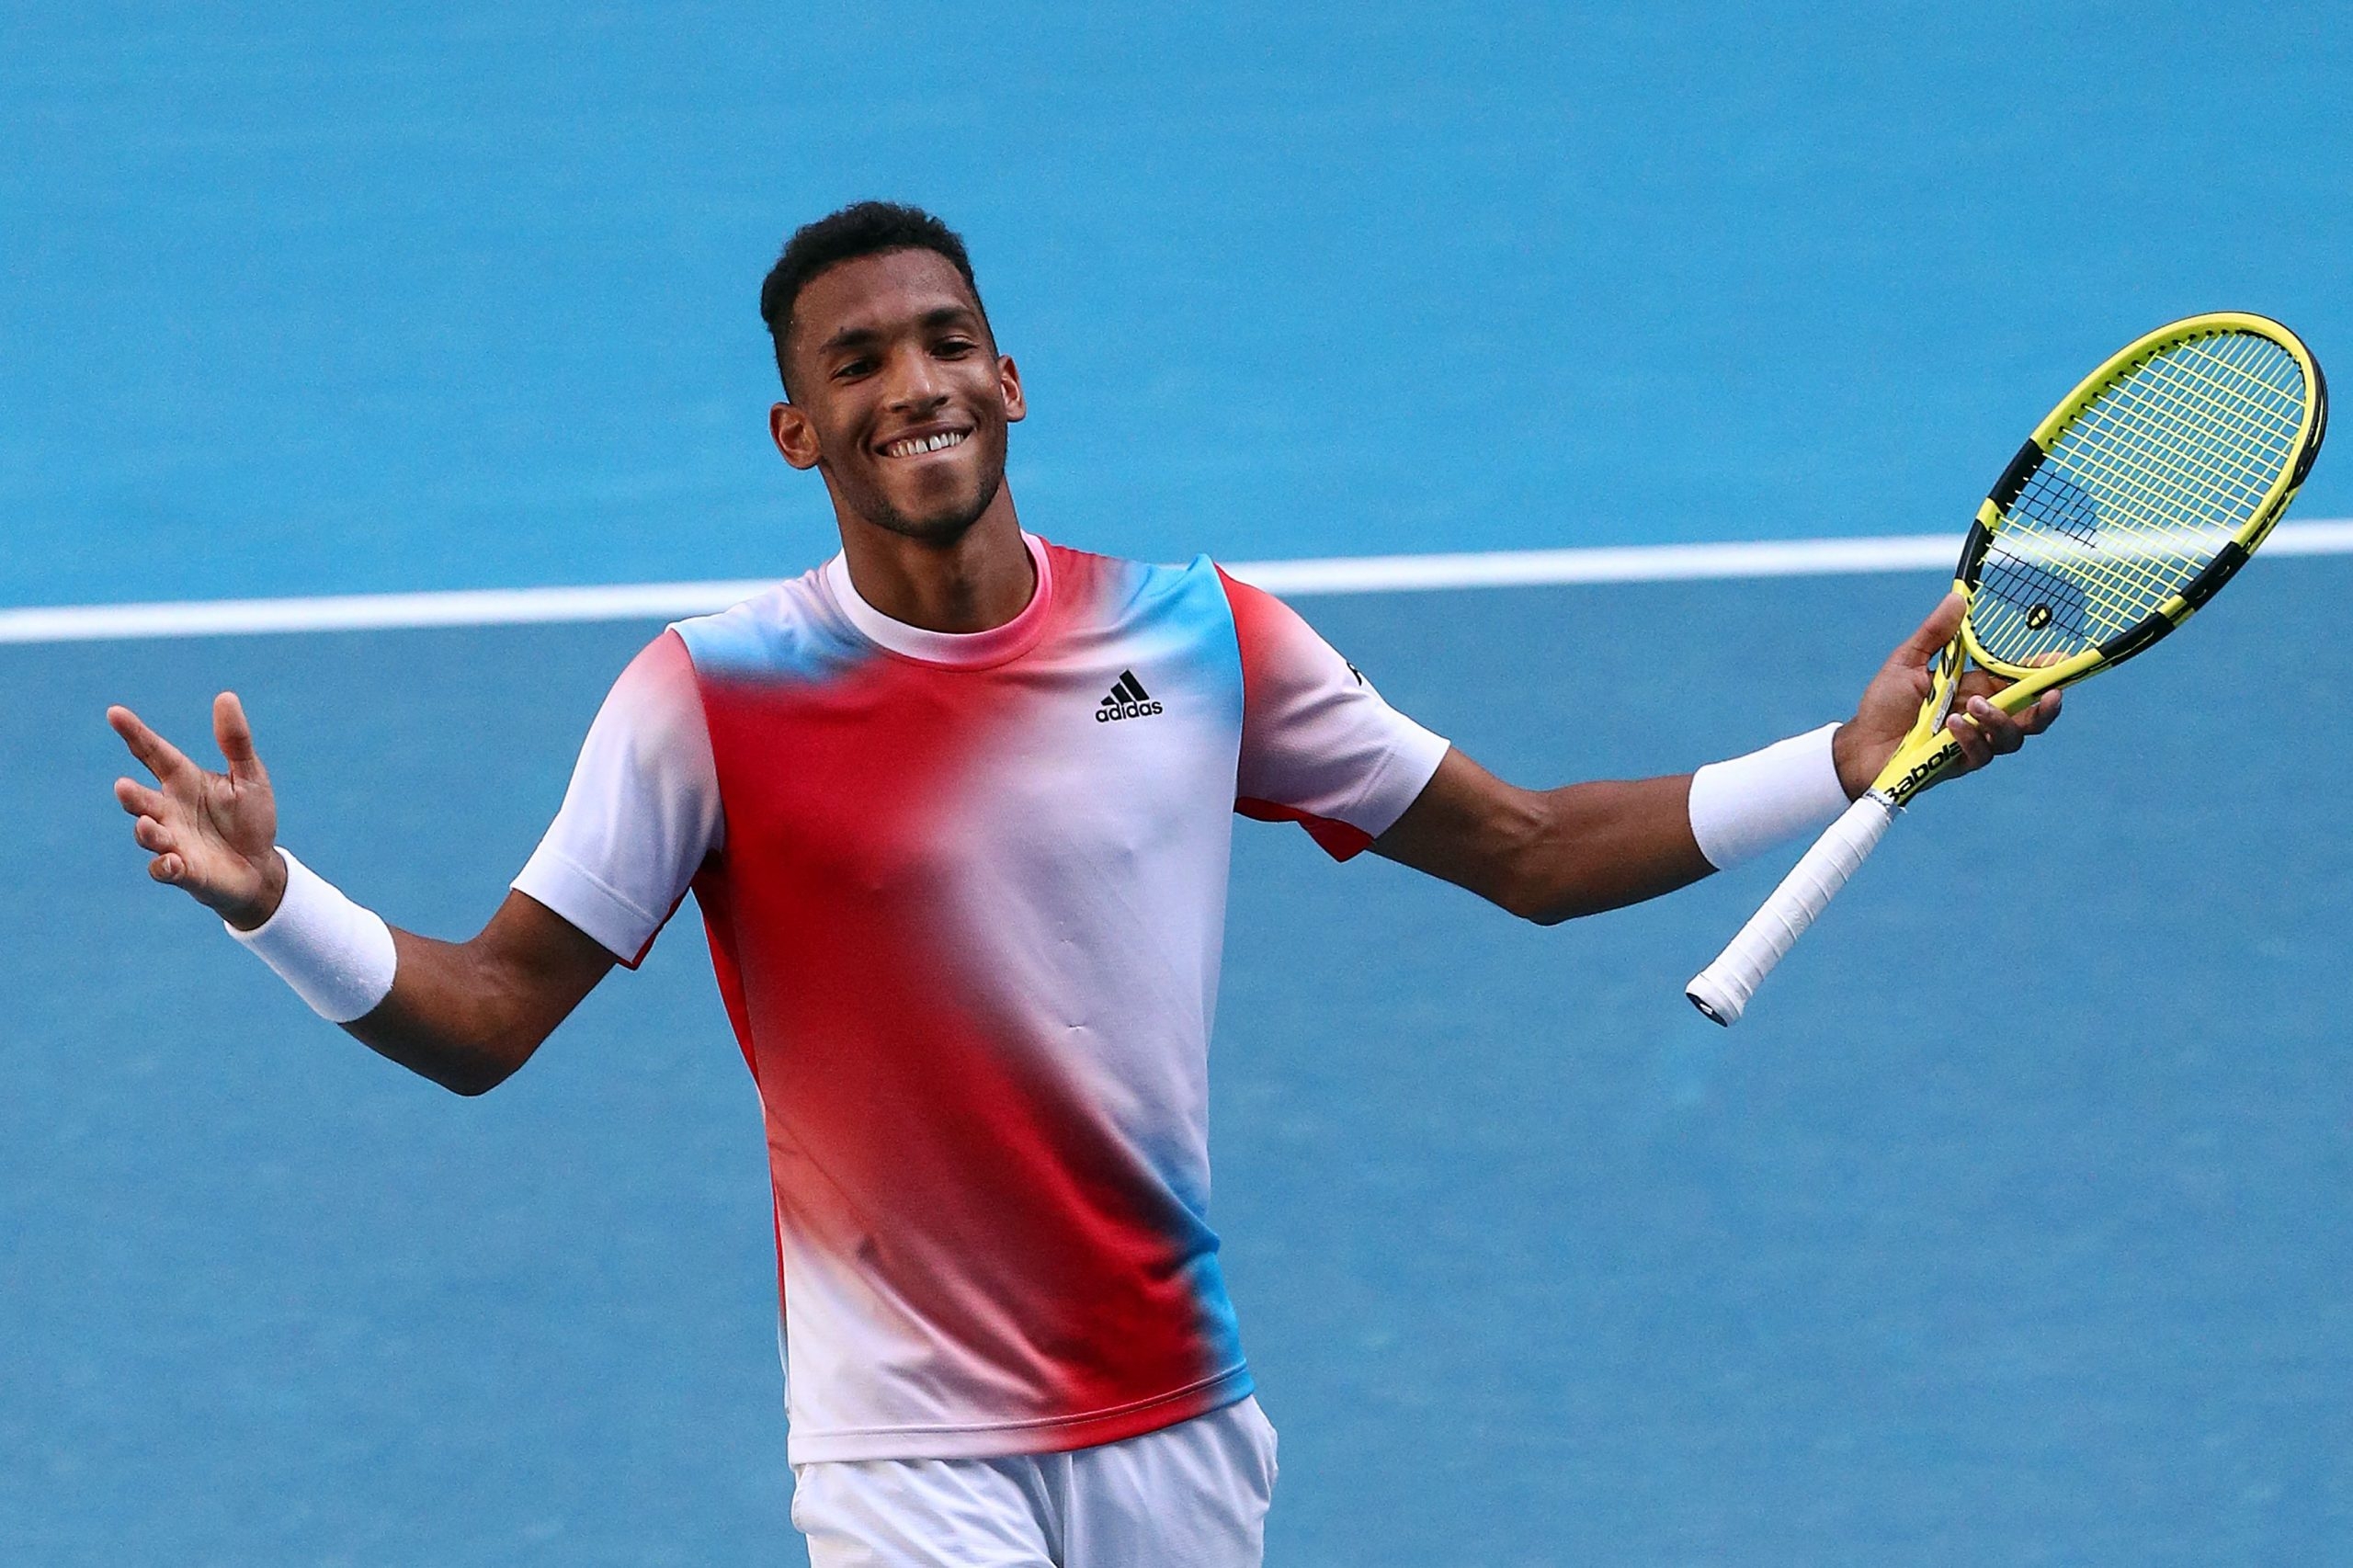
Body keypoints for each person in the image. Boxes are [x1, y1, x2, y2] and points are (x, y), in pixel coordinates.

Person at [106, 200, 2059, 1567]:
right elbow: (487, 1019)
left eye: (942, 343)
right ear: (798, 430)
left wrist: (1841, 756)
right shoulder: (702, 700)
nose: (911, 386)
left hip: (1175, 1414)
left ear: (1010, 378)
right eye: (854, 364)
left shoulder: (1199, 639)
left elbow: (1528, 854)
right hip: (901, 1447)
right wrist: (281, 901)